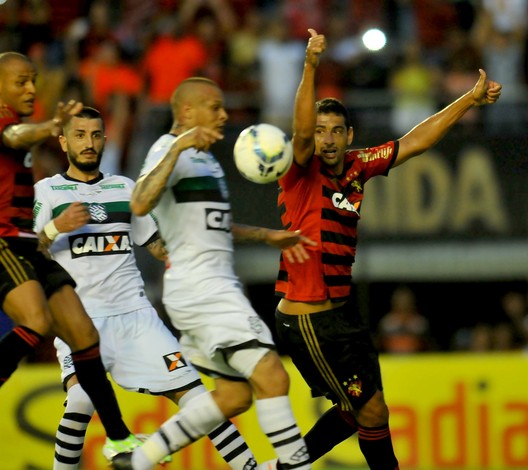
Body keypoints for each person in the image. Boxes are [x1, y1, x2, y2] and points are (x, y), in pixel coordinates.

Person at [272, 29, 501, 469]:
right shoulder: (299, 172)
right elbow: (299, 131)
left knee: (358, 411)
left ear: (349, 134)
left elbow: (416, 141)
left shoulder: (358, 166)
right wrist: (310, 65)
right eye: (321, 132)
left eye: (337, 131)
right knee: (370, 411)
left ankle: (285, 467)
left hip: (342, 317)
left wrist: (469, 100)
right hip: (309, 321)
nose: (328, 139)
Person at [34, 106, 260, 469]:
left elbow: (156, 245)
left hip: (137, 318)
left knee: (200, 400)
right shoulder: (47, 192)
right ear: (63, 142)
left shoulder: (124, 189)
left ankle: (249, 468)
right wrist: (56, 227)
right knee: (79, 402)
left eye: (95, 135)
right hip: (80, 319)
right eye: (79, 135)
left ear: (106, 139)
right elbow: (27, 250)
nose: (88, 143)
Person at [111, 77, 314, 470]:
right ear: (187, 112)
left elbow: (210, 224)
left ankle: (140, 460)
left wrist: (265, 234)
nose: (224, 114)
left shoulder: (204, 158)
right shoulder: (168, 150)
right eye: (215, 106)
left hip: (202, 290)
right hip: (204, 290)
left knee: (234, 396)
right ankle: (296, 466)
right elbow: (138, 202)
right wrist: (177, 147)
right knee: (272, 376)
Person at [0, 51, 139, 453]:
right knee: (36, 319)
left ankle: (118, 441)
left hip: (26, 241)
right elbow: (13, 138)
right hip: (3, 241)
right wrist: (48, 126)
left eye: (34, 80)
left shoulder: (18, 124)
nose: (31, 88)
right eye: (21, 81)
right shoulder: (8, 123)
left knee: (83, 334)